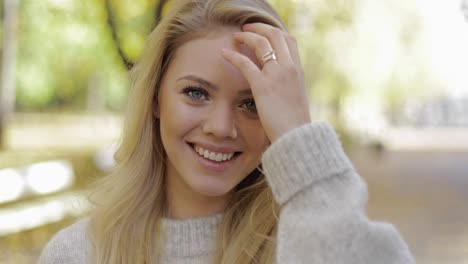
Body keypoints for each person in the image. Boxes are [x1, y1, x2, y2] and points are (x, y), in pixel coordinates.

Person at [39, 0, 415, 263]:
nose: (220, 128)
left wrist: (299, 137)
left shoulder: (311, 238)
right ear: (155, 99)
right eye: (196, 93)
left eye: (251, 103)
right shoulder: (78, 254)